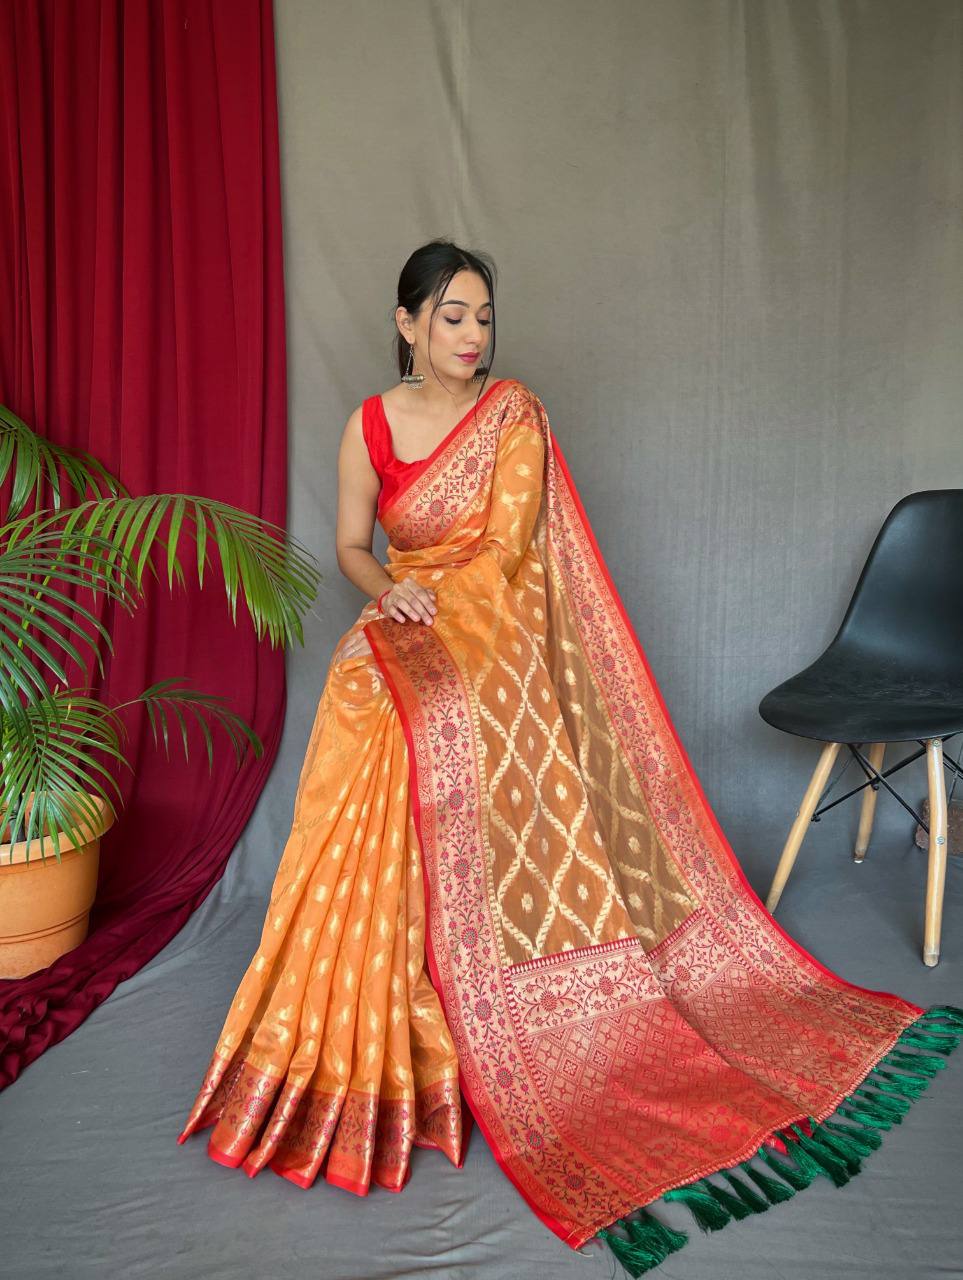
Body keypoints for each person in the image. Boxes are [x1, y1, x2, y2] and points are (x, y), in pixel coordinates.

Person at [178, 238, 962, 1277]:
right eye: (451, 315)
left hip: (492, 628)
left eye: (483, 317)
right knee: (362, 703)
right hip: (404, 617)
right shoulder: (368, 425)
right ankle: (385, 1020)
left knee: (452, 713)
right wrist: (387, 592)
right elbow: (359, 545)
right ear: (407, 321)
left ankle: (488, 995)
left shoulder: (515, 415)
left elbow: (507, 559)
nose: (471, 335)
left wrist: (446, 614)